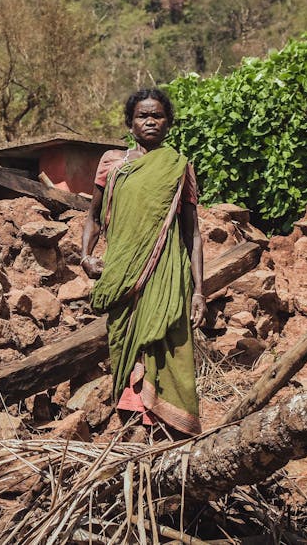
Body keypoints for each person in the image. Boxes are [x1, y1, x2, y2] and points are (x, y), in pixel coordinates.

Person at [80, 88, 205, 438]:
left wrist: (200, 292)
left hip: (167, 275)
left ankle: (170, 432)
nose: (150, 121)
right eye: (142, 116)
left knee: (168, 344)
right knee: (126, 339)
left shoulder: (179, 168)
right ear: (130, 123)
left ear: (169, 123)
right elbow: (92, 217)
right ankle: (134, 426)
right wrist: (85, 256)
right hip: (122, 274)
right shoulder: (112, 163)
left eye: (157, 116)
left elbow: (192, 234)